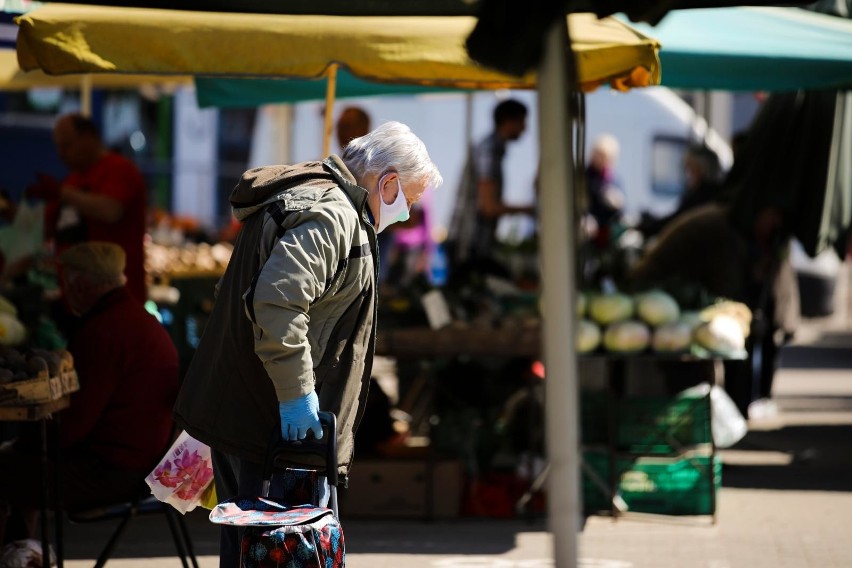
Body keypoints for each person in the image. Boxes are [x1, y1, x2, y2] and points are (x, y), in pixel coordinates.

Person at [172, 121, 442, 566]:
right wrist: (296, 393)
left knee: (252, 551)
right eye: (408, 200)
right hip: (263, 419)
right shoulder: (332, 214)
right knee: (263, 549)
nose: (407, 213)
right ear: (388, 181)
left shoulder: (324, 200)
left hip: (253, 412)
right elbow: (278, 302)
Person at [0, 242, 179, 544]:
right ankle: (20, 552)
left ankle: (16, 555)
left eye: (66, 284)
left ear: (80, 286)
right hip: (140, 463)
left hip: (114, 473)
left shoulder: (105, 331)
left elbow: (70, 428)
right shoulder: (136, 319)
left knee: (7, 467)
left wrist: (21, 442)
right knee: (16, 463)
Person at [26, 113, 148, 304]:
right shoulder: (72, 180)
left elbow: (110, 211)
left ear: (89, 138)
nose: (61, 153)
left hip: (116, 301)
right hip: (78, 301)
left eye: (67, 145)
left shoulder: (120, 170)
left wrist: (62, 193)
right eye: (58, 146)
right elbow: (43, 227)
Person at [447, 99, 535, 271]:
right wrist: (528, 210)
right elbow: (488, 207)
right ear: (509, 121)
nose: (525, 128)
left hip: (470, 241)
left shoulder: (491, 148)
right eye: (522, 121)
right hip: (469, 243)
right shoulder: (490, 150)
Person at [639, 143, 724, 239]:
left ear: (701, 169)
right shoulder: (716, 192)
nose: (687, 175)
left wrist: (644, 226)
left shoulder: (701, 196)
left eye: (690, 168)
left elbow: (674, 222)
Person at [584, 133, 625, 240]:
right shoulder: (585, 176)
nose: (602, 160)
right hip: (591, 225)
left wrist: (617, 202)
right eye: (600, 155)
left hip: (609, 226)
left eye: (606, 157)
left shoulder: (613, 178)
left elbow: (623, 207)